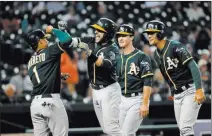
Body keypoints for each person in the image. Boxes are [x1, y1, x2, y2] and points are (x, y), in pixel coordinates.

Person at [58, 18, 124, 135]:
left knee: (111, 129)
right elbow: (69, 42)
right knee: (106, 129)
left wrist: (90, 53)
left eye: (100, 30)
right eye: (96, 29)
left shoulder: (113, 49)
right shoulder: (91, 41)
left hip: (109, 90)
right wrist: (62, 32)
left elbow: (105, 65)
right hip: (96, 90)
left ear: (108, 33)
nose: (96, 32)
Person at [143, 20, 206, 136]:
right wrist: (173, 91)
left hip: (190, 90)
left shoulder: (175, 46)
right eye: (148, 33)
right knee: (182, 130)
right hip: (177, 95)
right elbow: (166, 75)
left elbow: (194, 66)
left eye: (152, 33)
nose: (149, 36)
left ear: (160, 33)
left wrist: (199, 89)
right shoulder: (156, 54)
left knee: (186, 128)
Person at [26, 27, 73, 136]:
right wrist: (53, 30)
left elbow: (40, 77)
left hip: (35, 105)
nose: (47, 40)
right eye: (45, 38)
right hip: (51, 101)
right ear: (40, 41)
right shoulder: (50, 51)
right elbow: (68, 40)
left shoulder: (30, 62)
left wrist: (58, 75)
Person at [116, 24, 153, 136]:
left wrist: (145, 103)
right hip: (121, 100)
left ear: (132, 37)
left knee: (126, 133)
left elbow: (147, 81)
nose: (120, 38)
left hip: (137, 99)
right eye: (119, 36)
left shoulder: (141, 56)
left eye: (124, 35)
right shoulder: (117, 58)